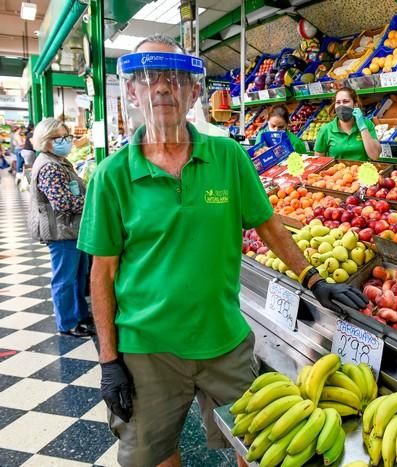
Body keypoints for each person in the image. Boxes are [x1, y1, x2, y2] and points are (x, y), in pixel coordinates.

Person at [78, 34, 367, 467]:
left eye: (174, 78)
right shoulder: (111, 176)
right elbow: (101, 273)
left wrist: (313, 278)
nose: (161, 87)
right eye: (148, 78)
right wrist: (108, 360)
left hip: (225, 340)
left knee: (257, 446)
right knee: (152, 456)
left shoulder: (228, 156)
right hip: (147, 349)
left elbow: (269, 224)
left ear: (194, 91)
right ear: (133, 92)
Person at [28, 118, 93, 338]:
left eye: (67, 137)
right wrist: (93, 200)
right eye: (58, 138)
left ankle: (80, 315)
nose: (65, 142)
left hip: (72, 229)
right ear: (45, 141)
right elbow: (63, 203)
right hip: (62, 231)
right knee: (65, 278)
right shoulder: (49, 166)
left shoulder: (59, 161)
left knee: (78, 275)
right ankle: (67, 323)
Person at [314, 87, 381, 161]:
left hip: (363, 171)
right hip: (338, 171)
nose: (341, 106)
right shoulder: (326, 129)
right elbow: (319, 161)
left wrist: (362, 127)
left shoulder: (367, 124)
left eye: (345, 101)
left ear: (355, 105)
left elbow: (375, 156)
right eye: (338, 102)